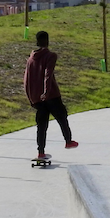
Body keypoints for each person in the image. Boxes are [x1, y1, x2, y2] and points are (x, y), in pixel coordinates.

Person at [24, 30, 78, 160]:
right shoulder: (51, 56)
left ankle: (41, 152)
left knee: (41, 126)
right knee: (62, 117)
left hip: (37, 98)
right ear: (47, 41)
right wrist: (46, 92)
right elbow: (47, 75)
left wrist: (31, 99)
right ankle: (68, 141)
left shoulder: (31, 59)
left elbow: (26, 79)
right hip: (51, 96)